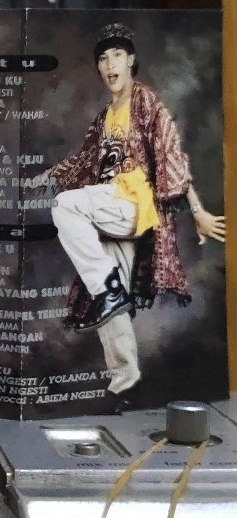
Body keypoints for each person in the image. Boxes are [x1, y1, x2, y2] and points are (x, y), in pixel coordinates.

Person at [44, 22, 225, 410]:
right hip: (109, 209)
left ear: (131, 61)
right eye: (103, 58)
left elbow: (171, 157)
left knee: (66, 205)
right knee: (112, 304)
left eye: (117, 56)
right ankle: (124, 383)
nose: (110, 64)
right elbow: (83, 160)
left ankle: (105, 288)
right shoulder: (104, 116)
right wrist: (49, 174)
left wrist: (197, 211)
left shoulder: (146, 103)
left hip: (133, 204)